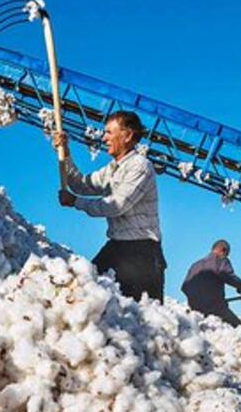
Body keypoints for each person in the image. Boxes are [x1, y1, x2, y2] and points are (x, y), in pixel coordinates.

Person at [51, 111, 165, 301]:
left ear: (127, 136)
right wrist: (65, 154)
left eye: (109, 132)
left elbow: (116, 205)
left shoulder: (140, 166)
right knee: (85, 288)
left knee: (137, 315)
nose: (104, 138)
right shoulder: (113, 168)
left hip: (141, 253)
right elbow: (81, 184)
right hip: (118, 247)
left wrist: (75, 201)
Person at [182, 239, 241, 326]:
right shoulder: (220, 260)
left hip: (195, 311)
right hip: (216, 308)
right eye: (227, 254)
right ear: (223, 250)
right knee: (240, 328)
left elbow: (184, 287)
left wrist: (197, 300)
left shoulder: (195, 265)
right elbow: (228, 276)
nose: (226, 256)